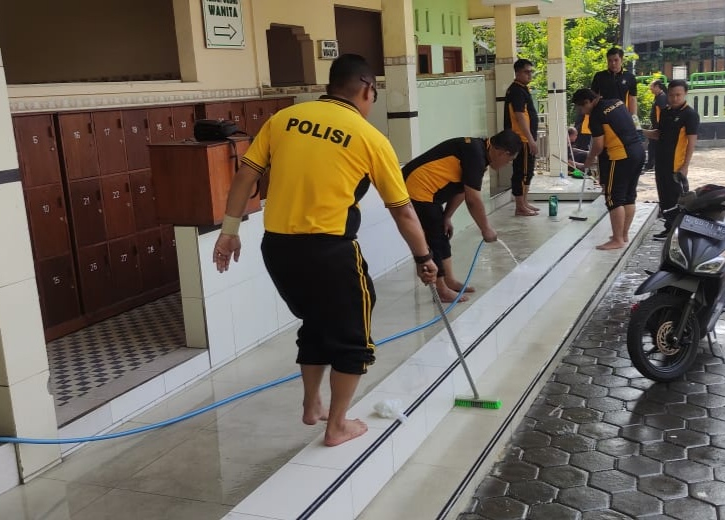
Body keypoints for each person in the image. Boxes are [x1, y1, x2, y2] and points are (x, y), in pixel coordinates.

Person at [212, 54, 438, 447]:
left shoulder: (283, 119)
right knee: (353, 338)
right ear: (368, 89)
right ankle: (336, 426)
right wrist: (424, 258)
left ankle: (312, 405)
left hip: (278, 248)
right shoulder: (370, 137)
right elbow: (403, 210)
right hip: (329, 250)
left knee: (316, 321)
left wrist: (229, 232)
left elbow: (246, 174)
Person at [402, 130, 522, 302]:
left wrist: (447, 216)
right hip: (416, 188)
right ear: (501, 152)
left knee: (441, 232)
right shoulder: (475, 154)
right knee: (434, 237)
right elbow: (473, 200)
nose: (507, 164)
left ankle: (449, 280)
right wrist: (485, 229)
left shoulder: (479, 154)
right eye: (509, 160)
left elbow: (462, 190)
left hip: (427, 193)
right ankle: (441, 290)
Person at [572, 88, 644, 250]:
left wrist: (588, 162)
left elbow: (598, 145)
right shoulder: (615, 102)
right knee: (629, 196)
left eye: (581, 108)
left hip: (620, 157)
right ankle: (623, 234)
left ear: (588, 102)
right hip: (638, 152)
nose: (582, 112)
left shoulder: (596, 115)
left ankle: (617, 239)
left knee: (614, 198)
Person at [643, 79, 700, 239]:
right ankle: (669, 227)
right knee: (664, 196)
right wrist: (640, 131)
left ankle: (679, 230)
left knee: (676, 197)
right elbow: (658, 134)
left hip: (677, 164)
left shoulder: (690, 114)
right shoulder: (666, 111)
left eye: (678, 95)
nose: (675, 98)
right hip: (661, 161)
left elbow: (691, 142)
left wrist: (685, 166)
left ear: (685, 94)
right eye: (672, 95)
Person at [504, 58, 540, 216]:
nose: (529, 75)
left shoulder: (522, 88)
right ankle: (520, 206)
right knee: (521, 172)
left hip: (526, 138)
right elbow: (519, 117)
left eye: (531, 71)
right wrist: (530, 140)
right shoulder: (517, 90)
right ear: (517, 72)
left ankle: (524, 202)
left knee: (528, 172)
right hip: (522, 139)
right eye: (526, 72)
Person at [590, 47, 639, 118]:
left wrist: (634, 118)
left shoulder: (629, 77)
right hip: (603, 116)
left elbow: (632, 99)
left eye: (616, 60)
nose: (613, 63)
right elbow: (593, 97)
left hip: (622, 115)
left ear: (621, 60)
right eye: (610, 60)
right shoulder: (599, 76)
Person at [645, 79, 668, 171]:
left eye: (652, 86)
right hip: (655, 126)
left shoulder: (662, 98)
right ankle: (651, 163)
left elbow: (661, 113)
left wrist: (658, 127)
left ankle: (651, 164)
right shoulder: (658, 96)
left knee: (653, 146)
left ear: (657, 87)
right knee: (652, 145)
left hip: (658, 127)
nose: (650, 88)